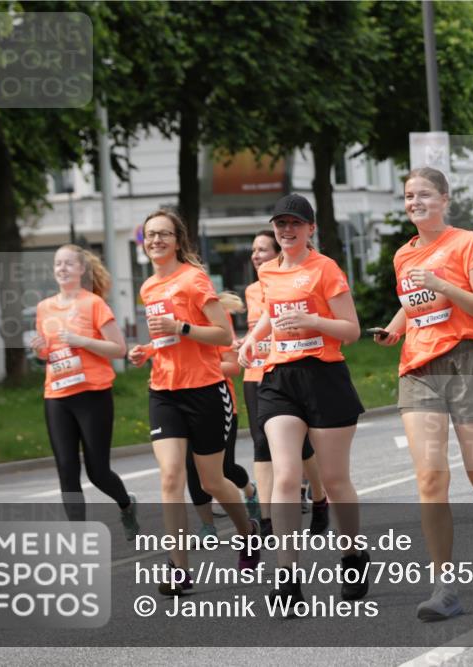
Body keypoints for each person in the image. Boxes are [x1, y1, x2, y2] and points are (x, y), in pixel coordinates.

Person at [374, 167, 473, 621]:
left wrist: (442, 284)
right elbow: (411, 303)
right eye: (407, 196)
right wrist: (395, 330)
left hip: (470, 364)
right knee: (430, 479)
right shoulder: (403, 255)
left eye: (422, 194)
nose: (413, 202)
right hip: (419, 369)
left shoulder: (466, 243)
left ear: (444, 198)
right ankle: (445, 588)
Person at [238, 194, 368, 614]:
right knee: (286, 477)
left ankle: (352, 557)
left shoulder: (325, 268)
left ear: (311, 229)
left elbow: (351, 330)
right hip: (279, 379)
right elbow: (273, 314)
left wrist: (314, 322)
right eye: (280, 224)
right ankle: (288, 580)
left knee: (332, 479)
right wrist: (254, 339)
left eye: (295, 223)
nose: (286, 230)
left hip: (324, 376)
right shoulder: (268, 272)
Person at [128, 209, 258, 595]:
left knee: (212, 480)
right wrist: (147, 351)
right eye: (150, 235)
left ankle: (248, 532)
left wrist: (181, 327)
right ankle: (179, 569)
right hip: (163, 391)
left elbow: (222, 336)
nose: (156, 241)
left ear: (177, 240)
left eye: (163, 235)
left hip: (204, 389)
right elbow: (167, 340)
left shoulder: (194, 279)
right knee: (170, 477)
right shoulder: (149, 287)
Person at [31, 245, 139, 537]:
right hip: (57, 394)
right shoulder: (44, 308)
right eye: (58, 264)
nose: (62, 268)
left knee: (98, 471)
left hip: (92, 393)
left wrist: (82, 340)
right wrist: (40, 350)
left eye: (68, 263)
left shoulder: (94, 304)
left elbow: (119, 349)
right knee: (66, 468)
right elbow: (49, 350)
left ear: (81, 270)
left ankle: (127, 505)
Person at [240, 231, 329, 539]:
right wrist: (249, 342)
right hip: (257, 374)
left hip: (290, 369)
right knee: (260, 443)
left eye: (262, 249)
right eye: (253, 250)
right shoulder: (254, 289)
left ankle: (319, 498)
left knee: (302, 447)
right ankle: (267, 519)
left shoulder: (302, 276)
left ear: (279, 251)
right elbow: (261, 326)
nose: (255, 255)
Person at [183, 293, 261, 539]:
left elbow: (233, 367)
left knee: (224, 469)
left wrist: (200, 368)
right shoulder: (167, 317)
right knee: (191, 467)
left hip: (217, 402)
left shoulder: (216, 317)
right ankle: (207, 526)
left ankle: (249, 491)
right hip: (180, 400)